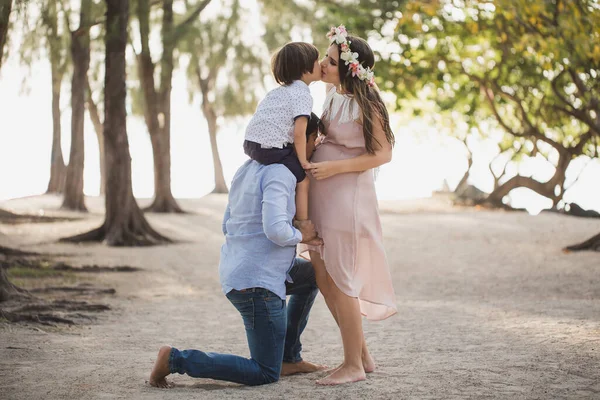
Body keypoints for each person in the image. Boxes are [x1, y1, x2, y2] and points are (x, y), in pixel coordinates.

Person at [149, 120, 326, 388]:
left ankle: (289, 357)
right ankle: (175, 360)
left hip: (244, 269)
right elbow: (276, 230)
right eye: (316, 138)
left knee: (314, 275)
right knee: (264, 372)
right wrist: (303, 235)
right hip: (257, 285)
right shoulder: (281, 173)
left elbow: (226, 222)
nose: (317, 145)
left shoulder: (247, 169)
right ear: (301, 140)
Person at [299, 25, 398, 386]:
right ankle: (362, 355)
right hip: (324, 198)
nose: (322, 64)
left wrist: (333, 167)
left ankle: (352, 365)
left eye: (330, 61)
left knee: (342, 279)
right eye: (325, 58)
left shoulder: (365, 101)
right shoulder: (332, 93)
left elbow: (383, 153)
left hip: (347, 200)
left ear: (350, 69)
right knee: (324, 278)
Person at [243, 42, 321, 224]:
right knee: (303, 182)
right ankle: (304, 226)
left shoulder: (278, 92)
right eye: (317, 61)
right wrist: (303, 162)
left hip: (251, 143)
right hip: (271, 148)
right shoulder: (303, 95)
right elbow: (299, 133)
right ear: (305, 68)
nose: (321, 64)